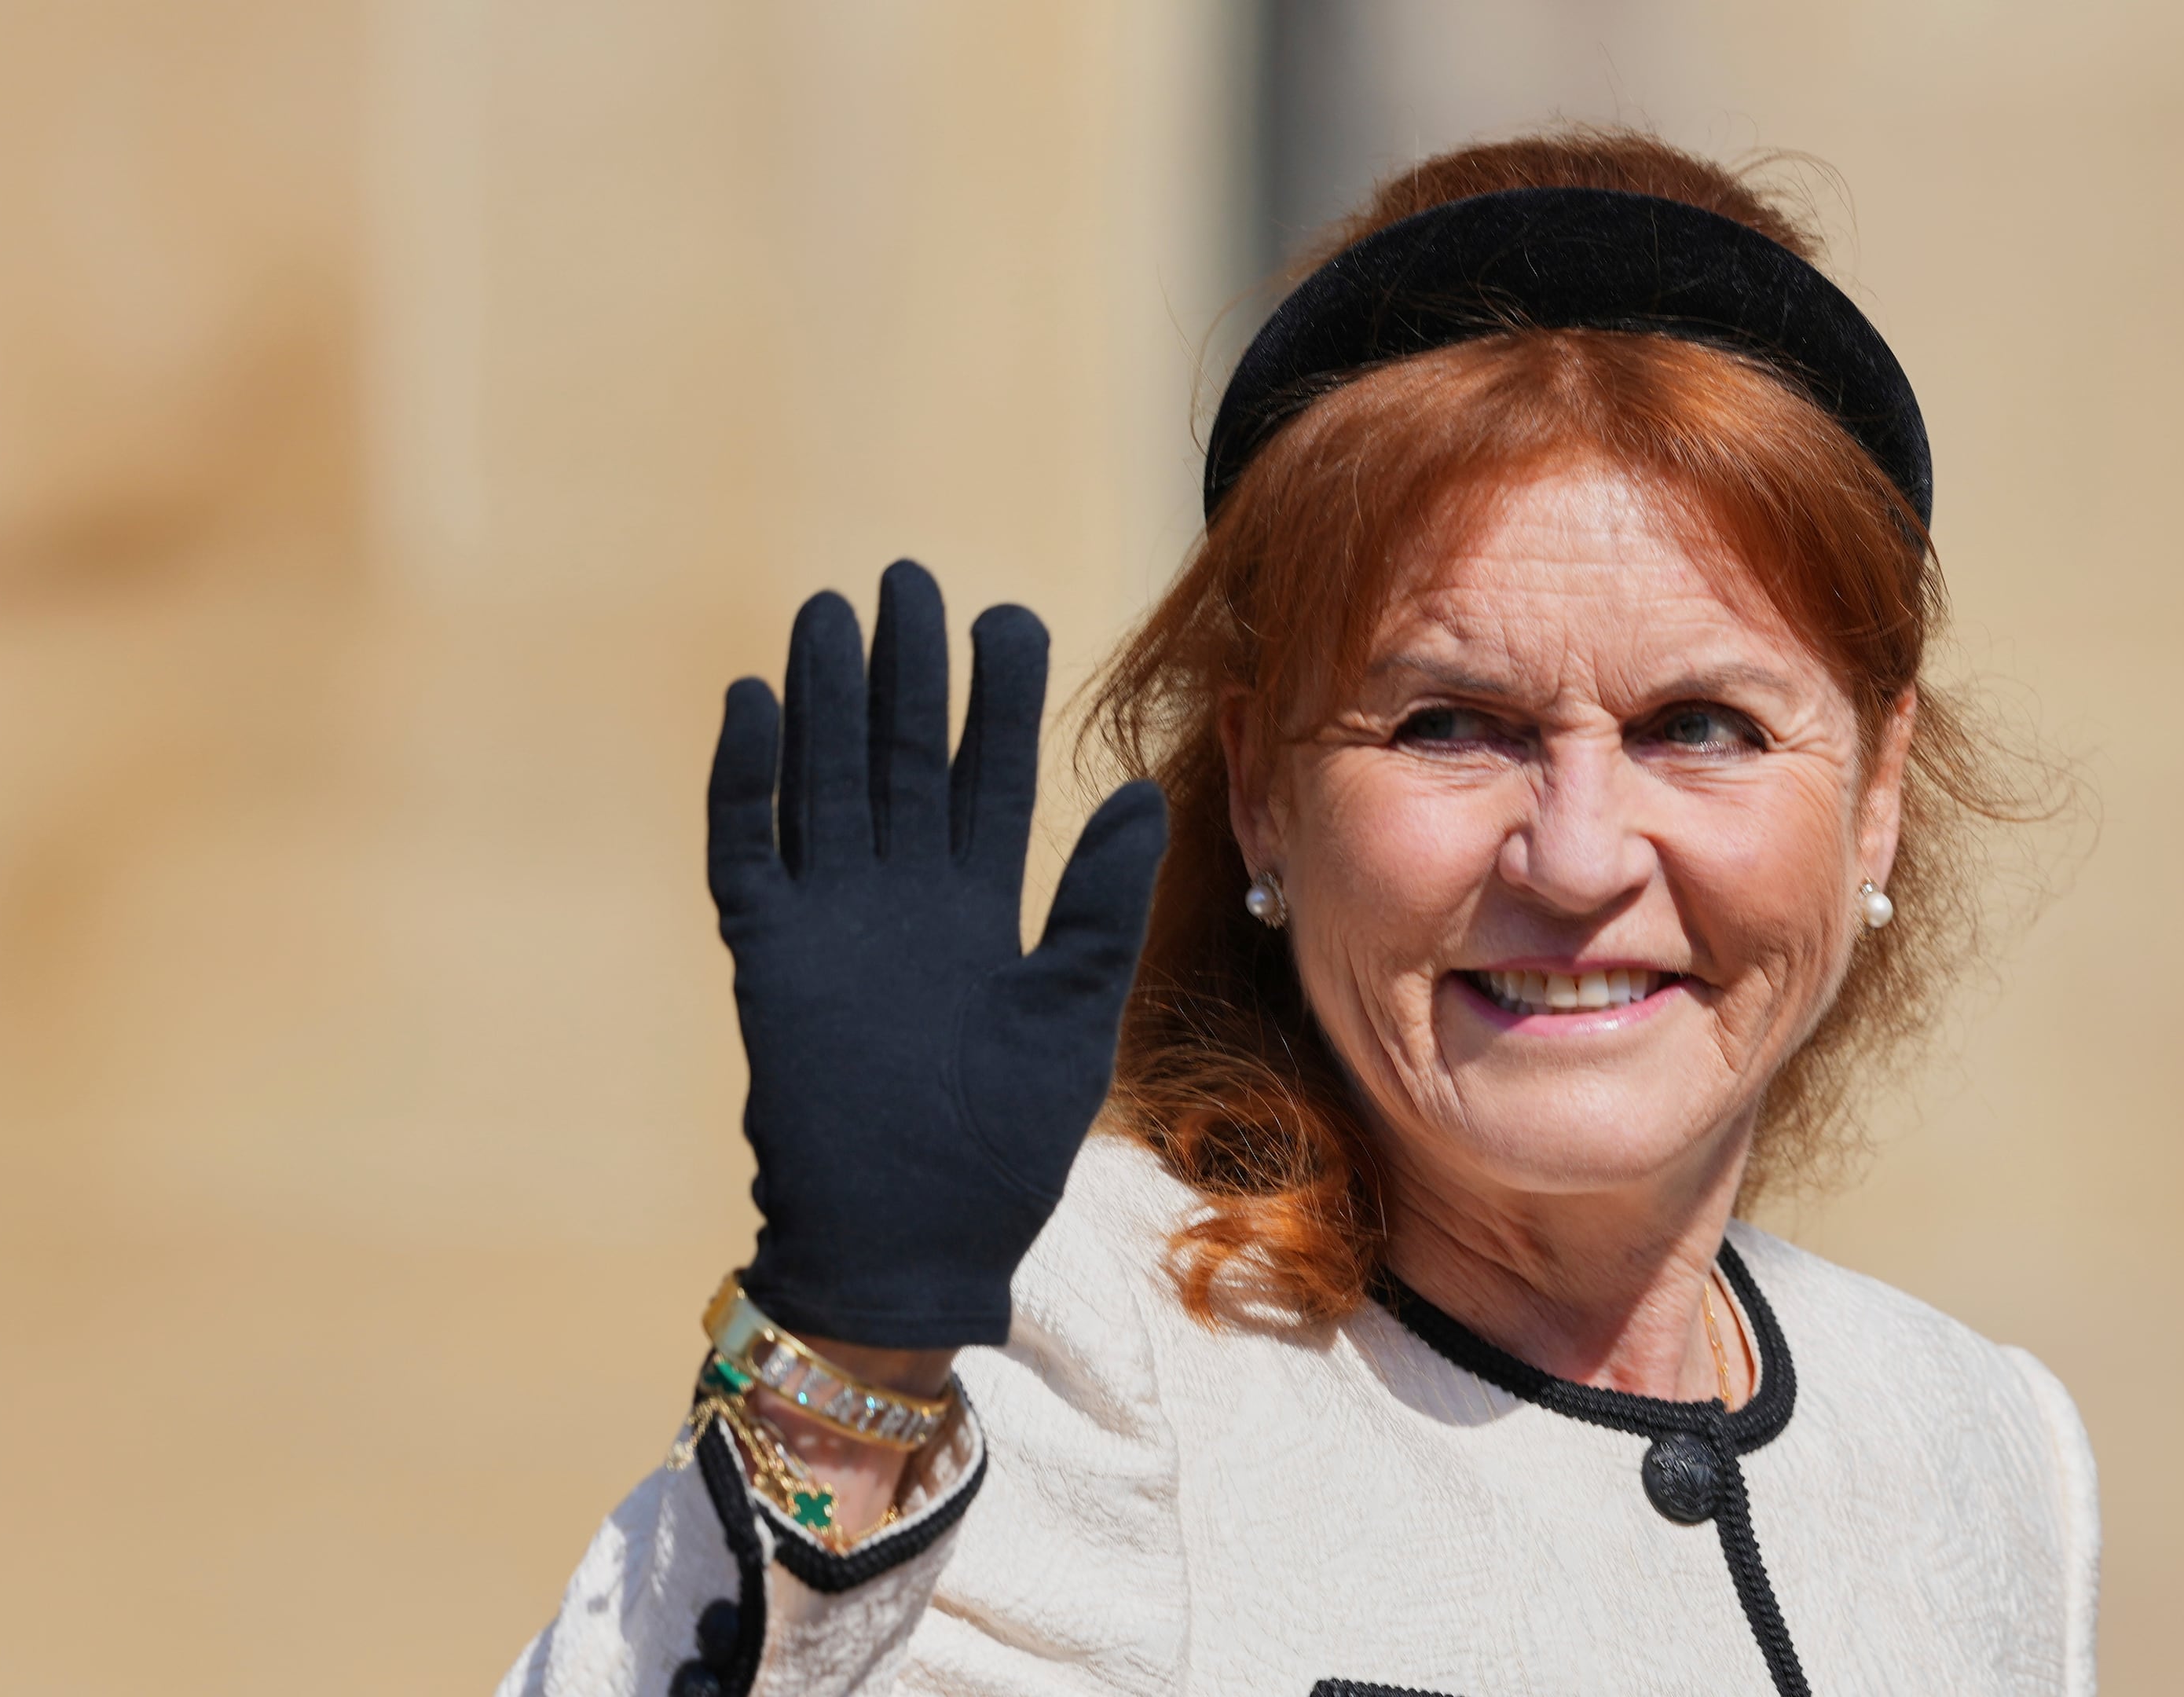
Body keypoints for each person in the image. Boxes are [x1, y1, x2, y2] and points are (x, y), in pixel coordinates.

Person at [500, 130, 2096, 1697]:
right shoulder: (1084, 1349)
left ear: (1875, 792)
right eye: (1449, 724)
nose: (1576, 858)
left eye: (1702, 726)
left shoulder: (1983, 1442)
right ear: (1263, 789)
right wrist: (848, 1378)